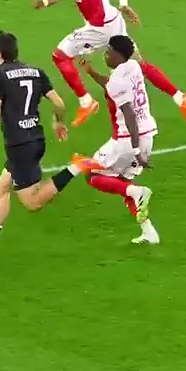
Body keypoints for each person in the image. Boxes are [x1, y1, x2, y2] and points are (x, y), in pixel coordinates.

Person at [32, 0, 186, 128]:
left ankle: (86, 102)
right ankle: (181, 98)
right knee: (139, 64)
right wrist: (44, 1)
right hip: (111, 24)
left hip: (101, 27)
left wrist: (124, 4)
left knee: (60, 56)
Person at [0, 31, 84, 259]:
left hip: (19, 146)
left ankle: (76, 167)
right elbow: (59, 103)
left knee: (32, 203)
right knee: (3, 186)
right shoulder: (36, 71)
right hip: (35, 139)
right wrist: (57, 122)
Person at [74, 35, 160, 245]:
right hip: (147, 135)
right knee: (122, 183)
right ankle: (149, 232)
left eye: (108, 51)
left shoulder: (117, 81)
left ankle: (137, 192)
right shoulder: (133, 67)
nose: (105, 55)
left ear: (117, 54)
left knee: (92, 174)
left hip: (127, 140)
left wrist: (135, 150)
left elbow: (128, 114)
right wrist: (91, 72)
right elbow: (111, 85)